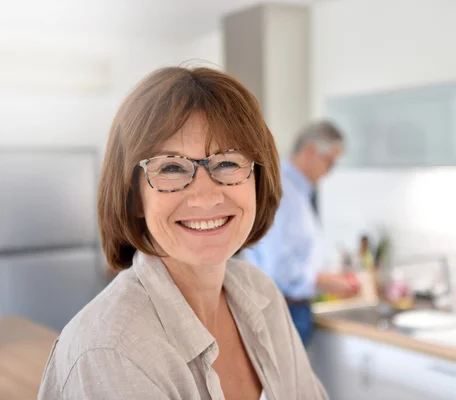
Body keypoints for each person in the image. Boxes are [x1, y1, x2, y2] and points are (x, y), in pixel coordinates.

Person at [38, 67, 327, 400]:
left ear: (258, 182)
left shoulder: (260, 295)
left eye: (229, 162)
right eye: (171, 168)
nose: (206, 197)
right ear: (134, 197)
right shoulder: (111, 350)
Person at [243, 121, 359, 346]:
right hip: (283, 310)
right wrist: (323, 280)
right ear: (309, 151)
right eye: (329, 162)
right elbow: (278, 267)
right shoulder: (282, 192)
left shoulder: (298, 192)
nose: (329, 172)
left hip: (293, 309)